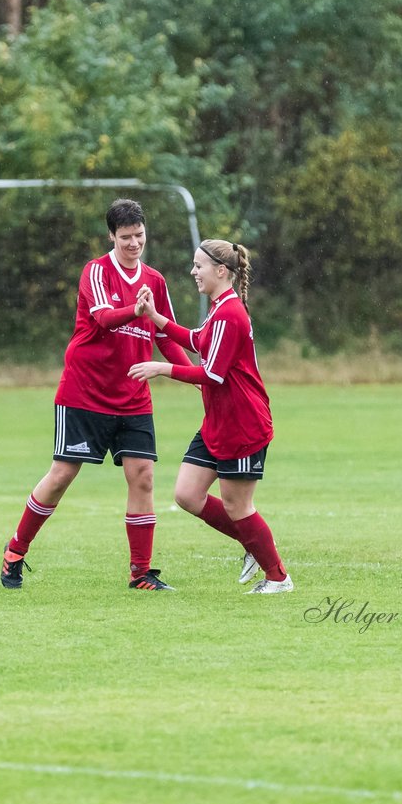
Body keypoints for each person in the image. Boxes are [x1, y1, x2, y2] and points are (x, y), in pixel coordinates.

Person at [0, 198, 193, 591]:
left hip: (133, 394)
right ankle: (15, 551)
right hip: (84, 392)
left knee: (143, 477)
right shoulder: (96, 272)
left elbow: (165, 335)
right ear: (111, 236)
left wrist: (195, 375)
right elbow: (103, 318)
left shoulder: (154, 280)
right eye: (126, 238)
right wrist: (135, 311)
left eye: (139, 236)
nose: (134, 243)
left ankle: (141, 573)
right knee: (61, 476)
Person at [128, 239, 293, 594]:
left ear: (222, 271)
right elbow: (198, 340)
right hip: (218, 421)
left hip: (243, 425)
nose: (193, 272)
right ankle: (252, 544)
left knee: (238, 506)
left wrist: (162, 367)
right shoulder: (219, 309)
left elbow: (211, 374)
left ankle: (278, 578)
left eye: (198, 266)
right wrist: (156, 318)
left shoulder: (231, 314)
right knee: (187, 494)